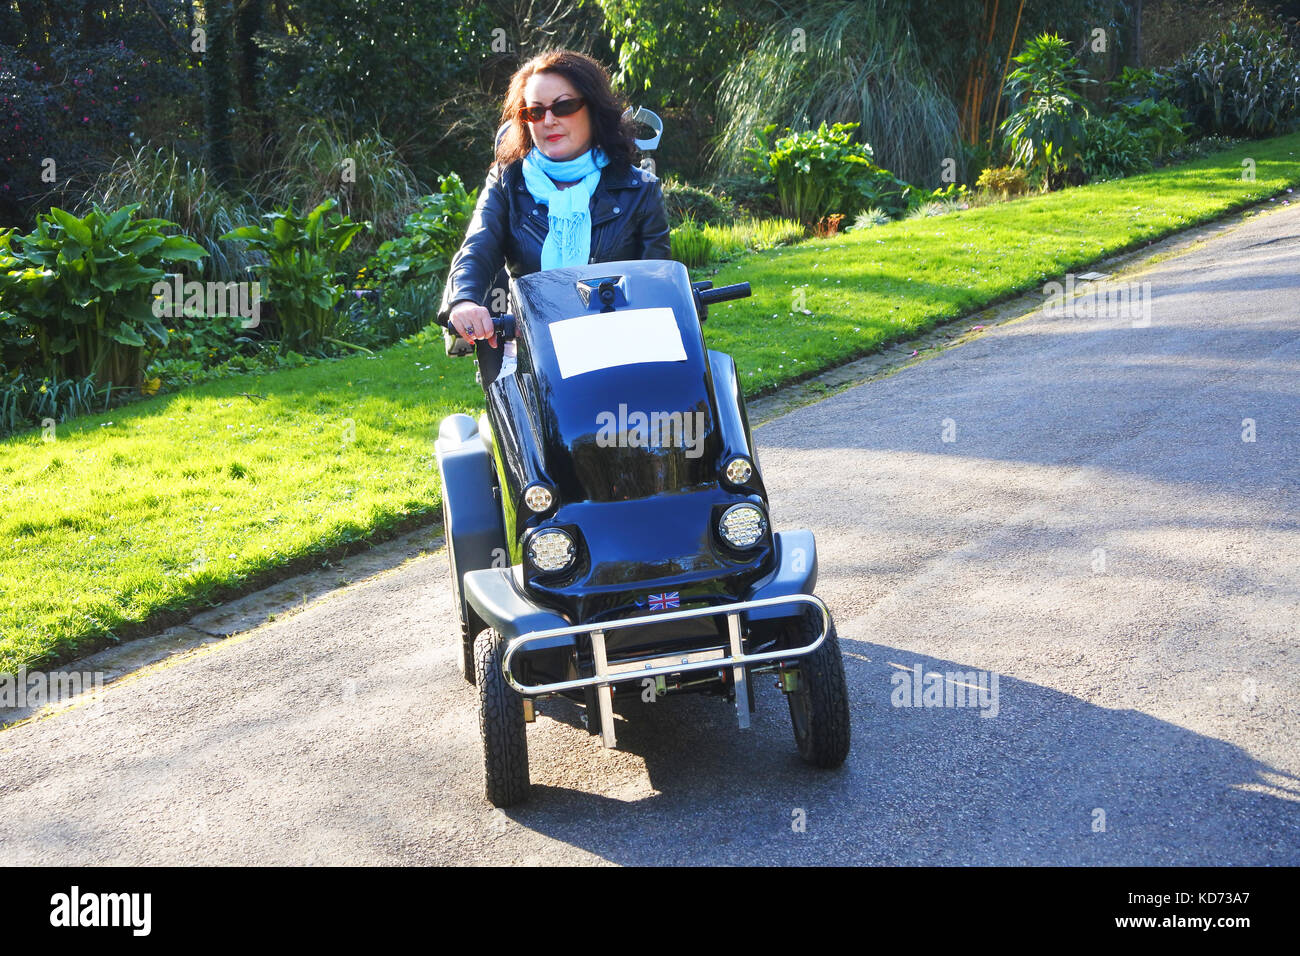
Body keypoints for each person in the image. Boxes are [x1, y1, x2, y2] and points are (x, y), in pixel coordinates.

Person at [435, 49, 671, 388]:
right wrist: (464, 300)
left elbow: (658, 285)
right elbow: (478, 247)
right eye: (535, 111)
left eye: (564, 106)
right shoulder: (507, 181)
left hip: (623, 354)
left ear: (592, 108)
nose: (549, 120)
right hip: (530, 354)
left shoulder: (640, 189)